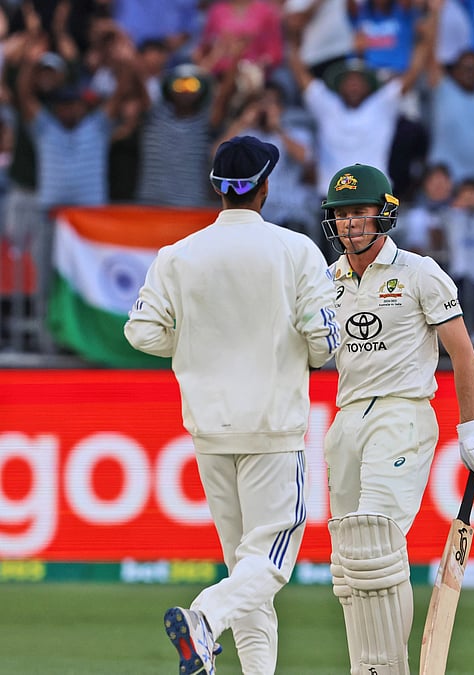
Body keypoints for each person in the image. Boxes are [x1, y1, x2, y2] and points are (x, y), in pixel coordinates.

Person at [125, 136, 339, 675]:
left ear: (218, 188)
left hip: (210, 429)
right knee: (268, 565)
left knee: (246, 570)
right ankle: (204, 616)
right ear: (265, 188)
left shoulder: (178, 255)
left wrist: (195, 343)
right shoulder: (296, 250)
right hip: (273, 427)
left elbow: (141, 332)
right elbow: (324, 345)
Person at [319, 162, 474, 675]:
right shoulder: (327, 279)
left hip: (401, 415)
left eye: (360, 212)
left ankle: (386, 667)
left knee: (378, 545)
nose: (351, 223)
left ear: (384, 215)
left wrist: (471, 429)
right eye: (342, 214)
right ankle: (370, 665)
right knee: (347, 565)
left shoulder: (419, 272)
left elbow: (464, 356)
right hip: (346, 418)